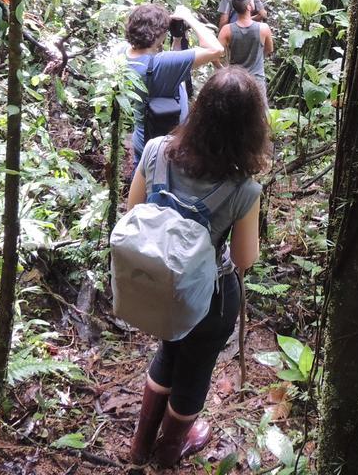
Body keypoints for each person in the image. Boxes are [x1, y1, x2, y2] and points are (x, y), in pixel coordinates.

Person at [126, 67, 268, 468]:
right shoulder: (244, 190)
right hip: (209, 298)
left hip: (157, 281)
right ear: (250, 128)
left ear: (200, 109)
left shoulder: (155, 150)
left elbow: (132, 211)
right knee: (194, 371)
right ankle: (170, 451)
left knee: (169, 351)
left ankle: (139, 447)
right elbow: (243, 260)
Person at [124, 3, 223, 170]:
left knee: (140, 180)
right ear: (159, 34)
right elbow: (217, 49)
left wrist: (177, 39)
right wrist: (188, 17)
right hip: (166, 143)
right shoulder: (161, 64)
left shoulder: (124, 54)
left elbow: (168, 65)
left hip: (142, 136)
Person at [218, 0, 273, 102]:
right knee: (260, 114)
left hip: (235, 80)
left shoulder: (226, 30)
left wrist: (223, 69)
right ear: (249, 7)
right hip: (256, 80)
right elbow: (269, 50)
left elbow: (214, 54)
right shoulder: (263, 28)